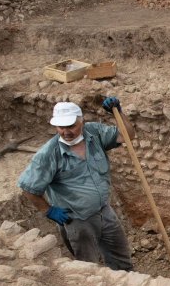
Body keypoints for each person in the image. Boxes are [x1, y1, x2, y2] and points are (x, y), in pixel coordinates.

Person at [18, 98, 135, 271]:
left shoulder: (94, 133)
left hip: (104, 210)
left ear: (82, 121)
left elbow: (127, 135)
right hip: (77, 219)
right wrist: (48, 210)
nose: (66, 132)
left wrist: (118, 113)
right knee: (87, 265)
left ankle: (126, 281)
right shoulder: (48, 155)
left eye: (71, 126)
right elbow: (28, 188)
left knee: (121, 256)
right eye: (61, 127)